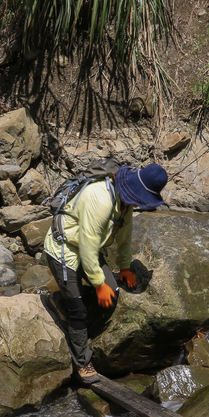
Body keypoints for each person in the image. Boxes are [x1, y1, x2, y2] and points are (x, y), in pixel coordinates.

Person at [42, 162, 169, 384]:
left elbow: (125, 235)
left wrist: (125, 267)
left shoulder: (125, 201)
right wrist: (98, 285)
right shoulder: (99, 199)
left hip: (88, 250)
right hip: (65, 250)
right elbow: (88, 245)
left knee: (111, 296)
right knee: (80, 310)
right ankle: (82, 363)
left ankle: (69, 305)